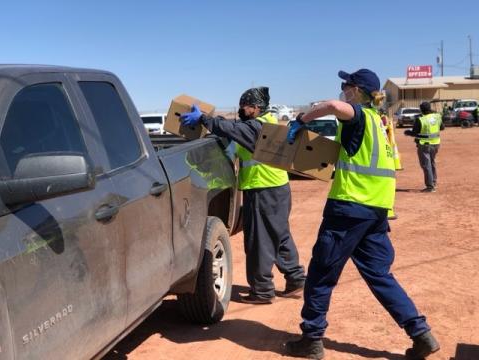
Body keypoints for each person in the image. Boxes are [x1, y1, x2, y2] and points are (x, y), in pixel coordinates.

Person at [285, 69, 440, 360]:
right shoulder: (379, 122)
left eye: (346, 85)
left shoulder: (357, 116)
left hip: (348, 209)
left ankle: (311, 338)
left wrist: (300, 120)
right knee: (380, 275)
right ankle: (421, 334)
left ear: (357, 91)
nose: (343, 89)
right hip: (376, 211)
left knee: (320, 274)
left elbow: (332, 106)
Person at [180, 87, 306, 304]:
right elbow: (235, 129)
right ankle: (296, 278)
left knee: (260, 240)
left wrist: (204, 119)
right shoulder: (268, 123)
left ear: (256, 108)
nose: (241, 110)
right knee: (279, 235)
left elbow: (232, 128)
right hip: (277, 189)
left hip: (263, 189)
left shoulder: (258, 127)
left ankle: (263, 290)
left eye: (245, 106)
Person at [404, 101, 444, 193]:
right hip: (436, 143)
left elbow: (414, 132)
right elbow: (442, 128)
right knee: (432, 162)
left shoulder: (421, 119)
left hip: (424, 145)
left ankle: (430, 187)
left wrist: (407, 132)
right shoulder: (437, 117)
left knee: (426, 165)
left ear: (421, 110)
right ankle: (433, 182)